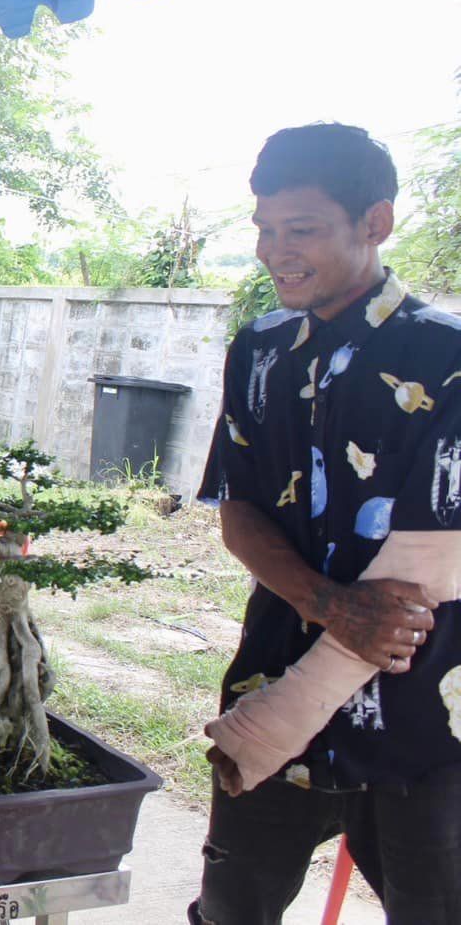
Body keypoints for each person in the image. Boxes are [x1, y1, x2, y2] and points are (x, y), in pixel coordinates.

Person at [191, 124, 461, 924]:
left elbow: (429, 559)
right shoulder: (259, 347)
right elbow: (236, 510)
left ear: (373, 221)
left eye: (299, 230)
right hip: (271, 689)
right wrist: (328, 604)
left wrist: (342, 629)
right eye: (264, 231)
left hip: (417, 715)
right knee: (231, 909)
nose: (276, 251)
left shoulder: (445, 357)